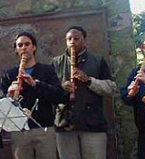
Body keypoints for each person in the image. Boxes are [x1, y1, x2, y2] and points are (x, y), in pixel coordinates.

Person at [52, 26, 116, 159]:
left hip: (93, 124)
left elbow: (110, 88)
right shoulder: (56, 62)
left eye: (76, 38)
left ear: (84, 40)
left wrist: (89, 81)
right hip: (65, 124)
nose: (72, 42)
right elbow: (49, 92)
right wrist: (62, 88)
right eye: (69, 39)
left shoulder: (98, 61)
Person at [0, 32, 64, 159]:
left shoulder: (47, 70)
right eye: (20, 45)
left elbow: (60, 96)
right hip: (20, 130)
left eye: (27, 44)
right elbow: (0, 103)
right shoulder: (9, 74)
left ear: (34, 47)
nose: (24, 47)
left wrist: (35, 84)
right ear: (16, 50)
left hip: (44, 128)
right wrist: (9, 94)